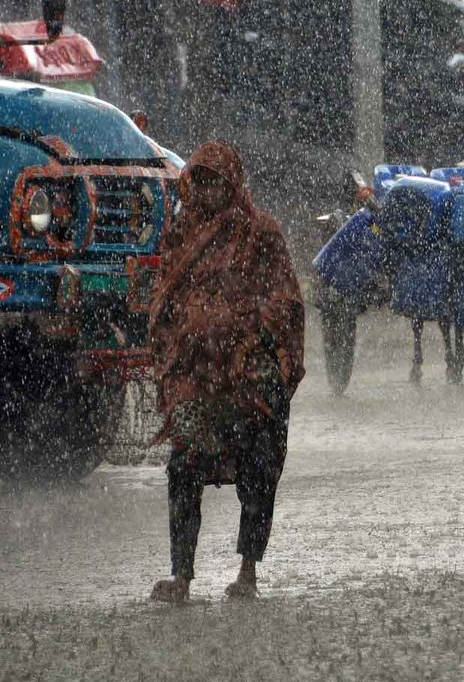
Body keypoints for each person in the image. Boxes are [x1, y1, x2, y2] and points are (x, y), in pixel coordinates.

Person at [148, 141, 305, 602]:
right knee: (183, 463)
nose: (209, 191)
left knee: (259, 462)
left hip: (248, 374)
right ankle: (181, 574)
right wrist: (189, 340)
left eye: (217, 181)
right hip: (197, 376)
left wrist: (245, 329)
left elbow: (286, 300)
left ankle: (248, 570)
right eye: (201, 181)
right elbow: (164, 302)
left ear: (233, 183)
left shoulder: (261, 234)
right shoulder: (181, 235)